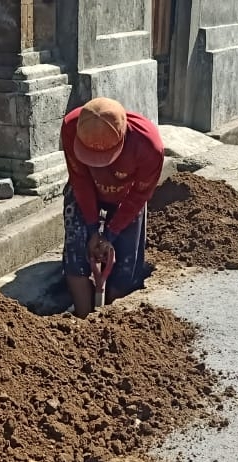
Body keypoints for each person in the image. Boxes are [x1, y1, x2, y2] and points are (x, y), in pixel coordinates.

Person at [60, 97, 164, 317]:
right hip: (85, 192)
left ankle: (112, 316)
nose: (99, 164)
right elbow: (80, 180)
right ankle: (82, 315)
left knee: (126, 269)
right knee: (75, 251)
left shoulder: (148, 145)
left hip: (126, 198)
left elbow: (139, 195)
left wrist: (111, 233)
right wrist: (91, 229)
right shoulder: (71, 127)